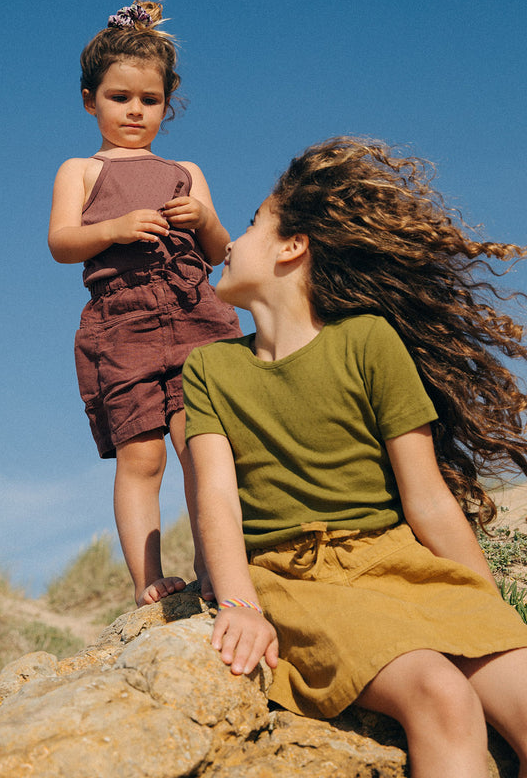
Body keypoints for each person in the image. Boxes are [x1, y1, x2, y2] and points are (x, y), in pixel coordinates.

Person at [182, 136, 527, 777]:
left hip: (396, 563)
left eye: (253, 222)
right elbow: (216, 502)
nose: (228, 241)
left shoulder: (369, 341)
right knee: (441, 695)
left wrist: (486, 604)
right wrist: (239, 605)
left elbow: (426, 498)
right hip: (295, 578)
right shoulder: (208, 368)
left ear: (293, 246)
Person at [48, 0, 242, 606]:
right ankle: (148, 580)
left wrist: (205, 216)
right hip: (121, 319)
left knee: (201, 445)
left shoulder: (186, 171)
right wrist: (114, 228)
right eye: (118, 98)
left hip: (193, 312)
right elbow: (60, 242)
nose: (134, 111)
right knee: (142, 454)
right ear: (90, 100)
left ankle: (215, 567)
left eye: (149, 100)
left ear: (167, 101)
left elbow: (219, 254)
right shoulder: (80, 170)